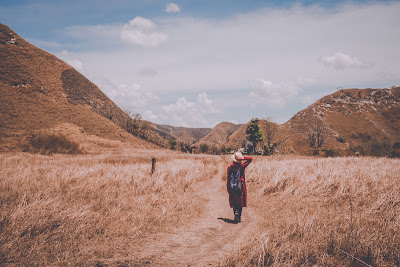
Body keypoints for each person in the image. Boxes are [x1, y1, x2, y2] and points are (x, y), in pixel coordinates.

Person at [227, 152, 253, 223]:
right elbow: (250, 159)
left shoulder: (230, 167)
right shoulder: (242, 166)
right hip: (240, 186)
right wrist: (243, 158)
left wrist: (228, 188)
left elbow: (228, 178)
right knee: (240, 201)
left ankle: (235, 213)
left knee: (234, 201)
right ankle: (239, 216)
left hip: (232, 186)